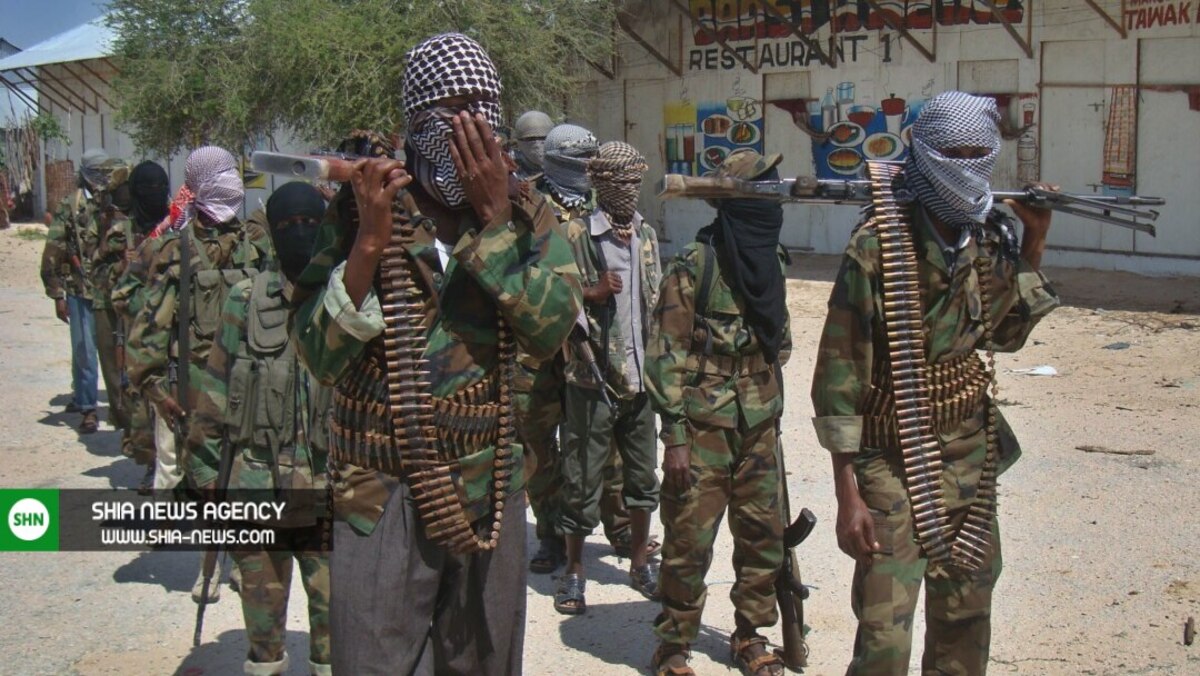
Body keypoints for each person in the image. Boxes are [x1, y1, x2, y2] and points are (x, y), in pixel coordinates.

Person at [291, 32, 581, 675]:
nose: (469, 128)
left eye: (483, 110)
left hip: (488, 485)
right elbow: (317, 356)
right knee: (372, 660)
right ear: (416, 118)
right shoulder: (364, 207)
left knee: (483, 659)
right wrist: (369, 243)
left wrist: (496, 224)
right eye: (451, 110)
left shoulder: (526, 215)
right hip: (379, 488)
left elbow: (552, 329)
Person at [810, 91, 1060, 675]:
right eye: (953, 153)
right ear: (923, 153)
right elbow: (839, 375)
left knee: (966, 619)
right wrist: (847, 493)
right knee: (885, 634)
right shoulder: (878, 244)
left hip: (972, 452)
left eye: (978, 153)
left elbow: (1005, 335)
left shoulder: (989, 237)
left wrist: (1035, 241)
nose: (966, 166)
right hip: (893, 456)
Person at [646, 149, 793, 676]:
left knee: (762, 536)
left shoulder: (771, 261)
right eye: (763, 194)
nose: (773, 208)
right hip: (702, 426)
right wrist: (675, 437)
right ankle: (673, 642)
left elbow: (780, 342)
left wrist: (765, 398)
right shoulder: (695, 264)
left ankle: (751, 634)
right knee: (689, 538)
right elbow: (664, 354)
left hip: (759, 424)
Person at [187, 182, 332, 676]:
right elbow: (214, 388)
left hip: (328, 488)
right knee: (263, 629)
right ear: (271, 232)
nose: (300, 233)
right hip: (256, 484)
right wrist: (206, 476)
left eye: (310, 223)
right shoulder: (244, 299)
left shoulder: (345, 297)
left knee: (336, 624)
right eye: (288, 225)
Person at [120, 146, 272, 494]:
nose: (231, 181)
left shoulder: (256, 245)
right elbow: (144, 323)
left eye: (232, 172)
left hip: (246, 385)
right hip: (187, 388)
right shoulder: (173, 250)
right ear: (199, 184)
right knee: (175, 471)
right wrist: (157, 392)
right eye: (221, 175)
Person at [555, 140, 661, 615]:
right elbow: (551, 295)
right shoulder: (576, 233)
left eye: (635, 180)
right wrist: (590, 292)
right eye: (620, 181)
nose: (629, 189)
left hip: (640, 380)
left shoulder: (646, 234)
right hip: (591, 378)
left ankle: (639, 562)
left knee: (642, 477)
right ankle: (574, 570)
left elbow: (654, 303)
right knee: (581, 477)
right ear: (599, 182)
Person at [40, 148, 115, 433]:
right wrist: (57, 294)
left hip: (113, 291)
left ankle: (120, 404)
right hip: (80, 289)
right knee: (84, 350)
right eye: (98, 173)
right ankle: (87, 407)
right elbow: (54, 249)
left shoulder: (116, 203)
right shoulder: (70, 206)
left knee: (115, 348)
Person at [511, 110, 552, 181]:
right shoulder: (511, 171)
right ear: (519, 143)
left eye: (543, 138)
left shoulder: (562, 168)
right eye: (531, 139)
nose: (537, 144)